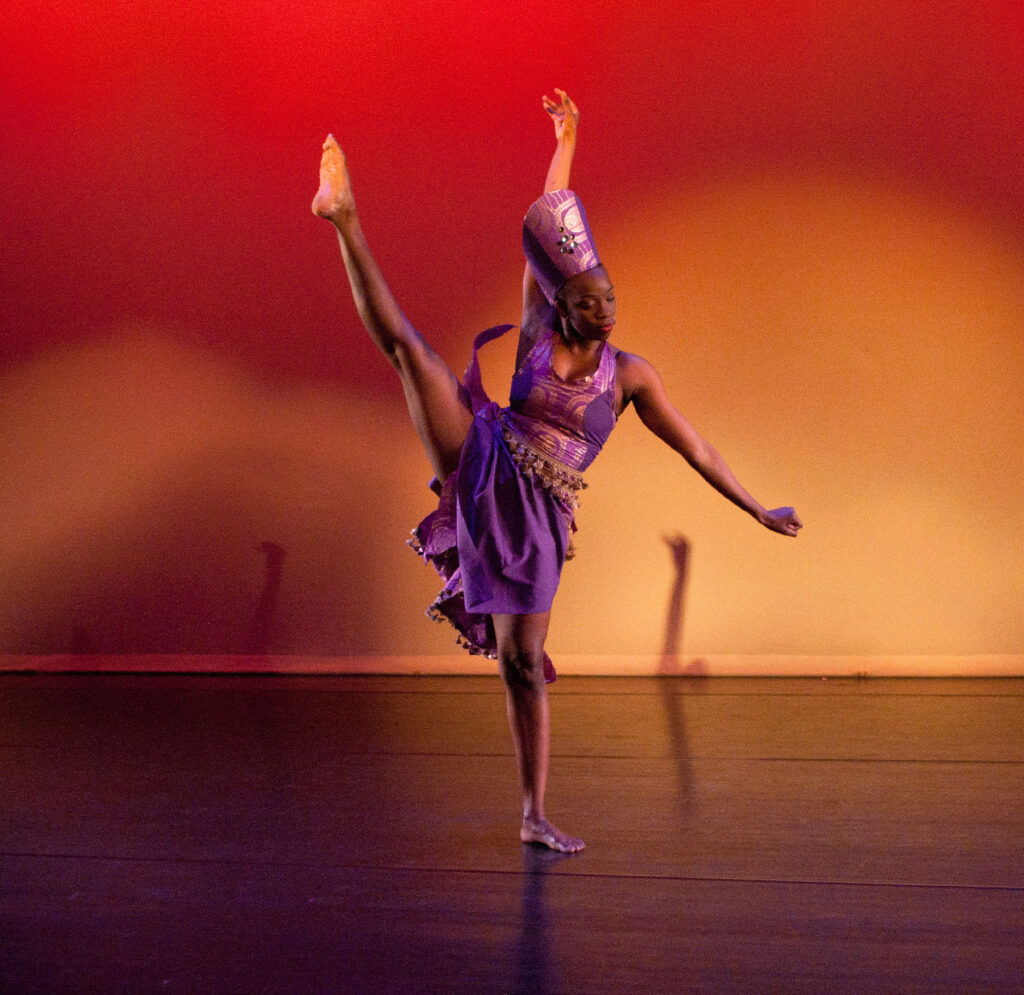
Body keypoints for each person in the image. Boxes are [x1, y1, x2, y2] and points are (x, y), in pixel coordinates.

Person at [312, 90, 802, 853]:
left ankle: (533, 812)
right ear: (559, 301)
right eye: (587, 297)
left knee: (518, 667)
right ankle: (344, 219)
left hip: (538, 520)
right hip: (485, 457)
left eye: (609, 295)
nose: (605, 307)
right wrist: (565, 140)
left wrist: (755, 508)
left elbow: (696, 448)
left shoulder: (630, 375)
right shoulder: (539, 327)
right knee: (411, 350)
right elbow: (548, 216)